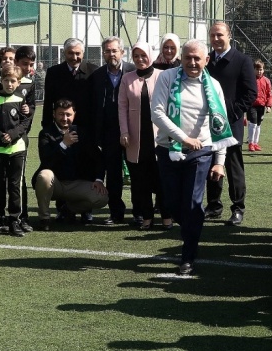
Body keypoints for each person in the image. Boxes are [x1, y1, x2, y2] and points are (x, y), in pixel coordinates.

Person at [151, 39, 231, 276]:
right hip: (168, 150)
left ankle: (188, 255)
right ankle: (190, 233)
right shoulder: (167, 78)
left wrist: (219, 161)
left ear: (207, 60)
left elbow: (221, 124)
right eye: (188, 58)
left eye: (198, 58)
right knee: (173, 204)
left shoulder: (213, 85)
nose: (193, 62)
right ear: (181, 58)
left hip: (201, 152)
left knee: (193, 204)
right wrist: (183, 137)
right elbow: (157, 113)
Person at [204, 22, 257, 226]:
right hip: (208, 125)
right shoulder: (207, 61)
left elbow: (250, 92)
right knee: (211, 164)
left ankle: (238, 208)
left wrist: (231, 112)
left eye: (220, 35)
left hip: (231, 124)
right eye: (212, 35)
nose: (216, 39)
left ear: (229, 36)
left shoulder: (242, 60)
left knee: (233, 167)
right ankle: (214, 206)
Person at [32, 99, 108, 231]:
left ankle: (67, 209)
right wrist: (63, 144)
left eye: (68, 114)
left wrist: (99, 180)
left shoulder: (82, 132)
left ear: (74, 115)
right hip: (55, 184)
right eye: (61, 114)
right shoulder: (46, 133)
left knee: (102, 197)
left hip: (76, 184)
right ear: (54, 114)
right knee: (44, 175)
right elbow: (46, 161)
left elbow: (99, 159)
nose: (65, 118)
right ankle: (44, 218)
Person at [118, 41, 171, 230]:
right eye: (136, 56)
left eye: (143, 55)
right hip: (135, 139)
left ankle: (166, 217)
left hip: (159, 138)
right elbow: (122, 107)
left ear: (150, 55)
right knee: (140, 182)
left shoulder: (162, 76)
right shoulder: (127, 78)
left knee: (162, 180)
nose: (140, 59)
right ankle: (146, 217)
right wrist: (124, 131)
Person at [88, 36, 135, 225]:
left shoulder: (133, 71)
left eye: (114, 50)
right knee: (113, 174)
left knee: (136, 171)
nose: (111, 54)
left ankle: (140, 211)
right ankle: (116, 212)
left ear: (122, 52)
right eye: (107, 51)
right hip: (108, 132)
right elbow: (92, 105)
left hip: (132, 130)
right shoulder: (97, 75)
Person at [0, 65, 29, 237]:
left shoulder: (20, 100)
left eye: (13, 81)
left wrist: (11, 135)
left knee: (14, 186)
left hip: (17, 149)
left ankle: (14, 221)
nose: (9, 84)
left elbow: (25, 122)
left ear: (18, 83)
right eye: (6, 80)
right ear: (1, 80)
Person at [41, 38, 98, 129]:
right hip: (61, 127)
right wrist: (47, 126)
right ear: (64, 53)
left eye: (77, 53)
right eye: (70, 53)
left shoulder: (94, 71)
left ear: (83, 53)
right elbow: (48, 102)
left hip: (87, 128)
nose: (74, 57)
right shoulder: (53, 72)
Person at [13, 46, 37, 232]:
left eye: (30, 64)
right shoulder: (3, 79)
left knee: (20, 180)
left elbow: (31, 111)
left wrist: (27, 111)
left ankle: (22, 217)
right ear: (15, 62)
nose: (28, 67)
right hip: (0, 140)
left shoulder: (29, 83)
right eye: (24, 64)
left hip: (20, 137)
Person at [247, 59, 272, 152]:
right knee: (253, 123)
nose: (259, 71)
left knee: (258, 124)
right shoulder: (250, 79)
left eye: (261, 69)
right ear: (253, 69)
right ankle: (250, 143)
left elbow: (269, 94)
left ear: (263, 70)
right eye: (257, 69)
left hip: (261, 106)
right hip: (252, 105)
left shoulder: (266, 81)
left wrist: (269, 106)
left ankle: (255, 143)